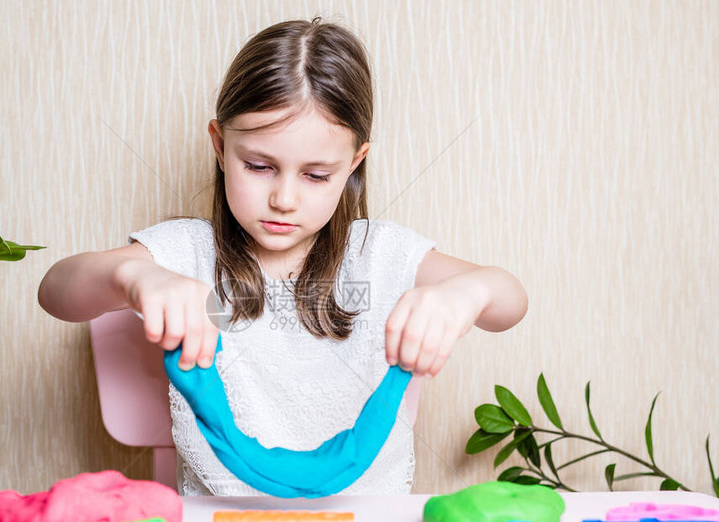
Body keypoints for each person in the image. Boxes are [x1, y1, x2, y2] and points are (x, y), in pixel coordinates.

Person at [38, 18, 527, 496]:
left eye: (316, 175)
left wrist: (468, 293)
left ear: (355, 162)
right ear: (220, 145)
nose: (284, 199)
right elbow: (56, 291)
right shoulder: (185, 252)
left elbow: (509, 302)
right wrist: (133, 276)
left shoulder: (378, 254)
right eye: (258, 166)